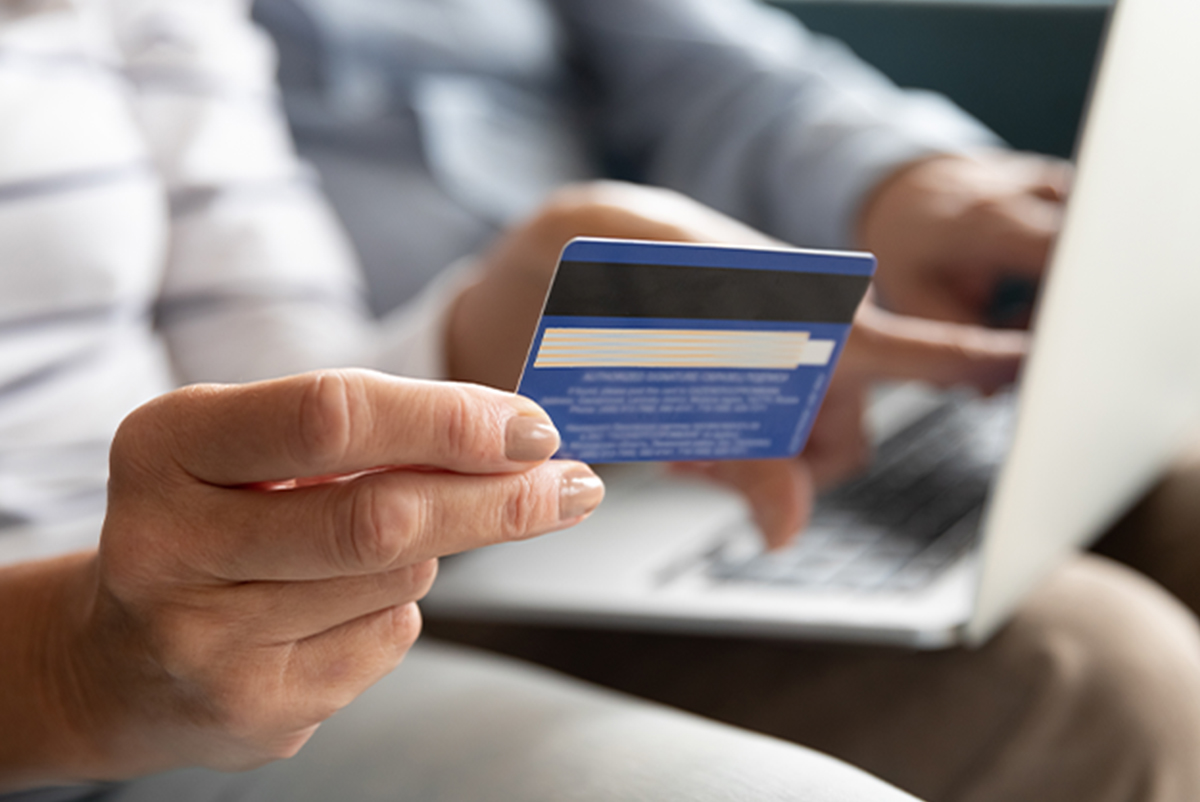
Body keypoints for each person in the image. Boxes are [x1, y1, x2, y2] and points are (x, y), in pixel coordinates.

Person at [3, 3, 1200, 802]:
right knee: (1097, 680)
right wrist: (70, 664)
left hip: (252, 614)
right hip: (89, 676)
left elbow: (273, 397)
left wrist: (481, 332)